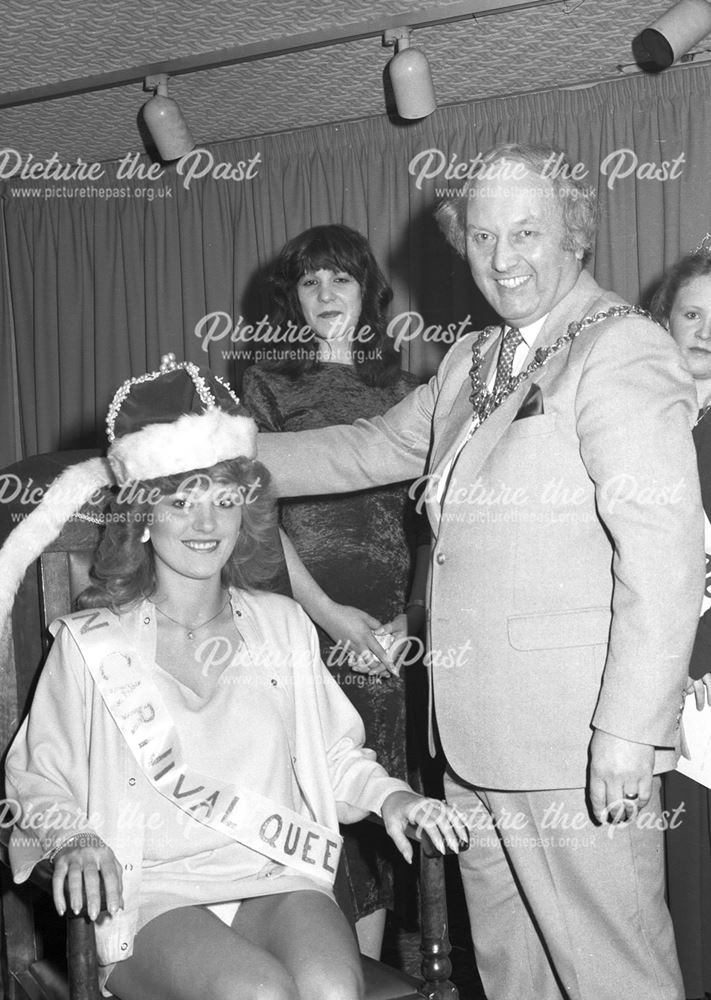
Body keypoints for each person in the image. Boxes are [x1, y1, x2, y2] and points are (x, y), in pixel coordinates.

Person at [253, 143, 705, 1000]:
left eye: (527, 232)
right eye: (484, 236)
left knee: (614, 975)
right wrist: (218, 450)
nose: (503, 259)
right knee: (508, 976)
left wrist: (626, 731)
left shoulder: (622, 347)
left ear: (574, 235)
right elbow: (369, 447)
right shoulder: (472, 359)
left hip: (573, 743)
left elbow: (665, 548)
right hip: (468, 740)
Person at [0, 354, 465, 1000]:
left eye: (225, 500)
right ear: (143, 515)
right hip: (153, 894)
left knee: (334, 990)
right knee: (254, 992)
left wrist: (393, 797)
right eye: (181, 501)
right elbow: (36, 781)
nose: (206, 524)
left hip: (275, 876)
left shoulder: (281, 627)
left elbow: (334, 755)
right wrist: (73, 839)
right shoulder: (92, 647)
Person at [242, 223, 430, 955]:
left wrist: (405, 621)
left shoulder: (409, 389)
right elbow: (250, 514)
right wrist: (326, 614)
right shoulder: (263, 383)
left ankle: (367, 969)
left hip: (390, 633)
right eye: (309, 281)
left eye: (340, 279)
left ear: (367, 293)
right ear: (291, 297)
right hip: (300, 620)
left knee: (382, 789)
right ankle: (322, 964)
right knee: (317, 795)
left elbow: (429, 527)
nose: (325, 294)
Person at [651, 246, 711, 1000]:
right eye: (690, 314)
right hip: (650, 686)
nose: (703, 330)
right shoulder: (636, 424)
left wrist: (695, 656)